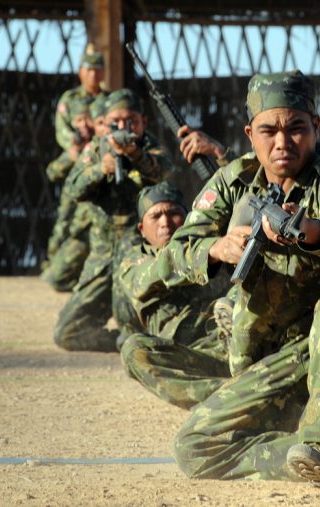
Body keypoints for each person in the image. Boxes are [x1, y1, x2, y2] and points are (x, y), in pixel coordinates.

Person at [152, 70, 320, 489]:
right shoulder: (232, 182)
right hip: (278, 355)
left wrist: (303, 230)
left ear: (316, 127)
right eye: (269, 131)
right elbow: (172, 256)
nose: (282, 143)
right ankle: (315, 449)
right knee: (195, 447)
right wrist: (216, 248)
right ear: (250, 133)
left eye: (296, 129)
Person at [53, 88, 175, 352]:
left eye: (131, 121)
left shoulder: (149, 148)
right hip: (102, 254)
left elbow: (165, 171)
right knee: (66, 332)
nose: (123, 127)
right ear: (102, 125)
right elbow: (73, 188)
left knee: (132, 320)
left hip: (136, 253)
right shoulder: (95, 151)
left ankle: (138, 339)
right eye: (115, 122)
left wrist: (136, 156)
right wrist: (101, 169)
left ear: (144, 122)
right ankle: (118, 342)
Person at [118, 181, 233, 409]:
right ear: (142, 229)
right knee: (134, 351)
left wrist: (220, 155)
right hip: (193, 358)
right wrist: (206, 254)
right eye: (156, 216)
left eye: (173, 213)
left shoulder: (213, 243)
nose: (166, 223)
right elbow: (157, 273)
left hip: (237, 341)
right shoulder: (133, 262)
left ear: (189, 218)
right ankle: (228, 399)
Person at [41, 96, 108, 292]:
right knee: (56, 274)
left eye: (88, 119)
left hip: (98, 223)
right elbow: (52, 172)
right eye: (79, 120)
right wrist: (73, 154)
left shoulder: (104, 146)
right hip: (76, 223)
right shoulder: (76, 148)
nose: (84, 125)